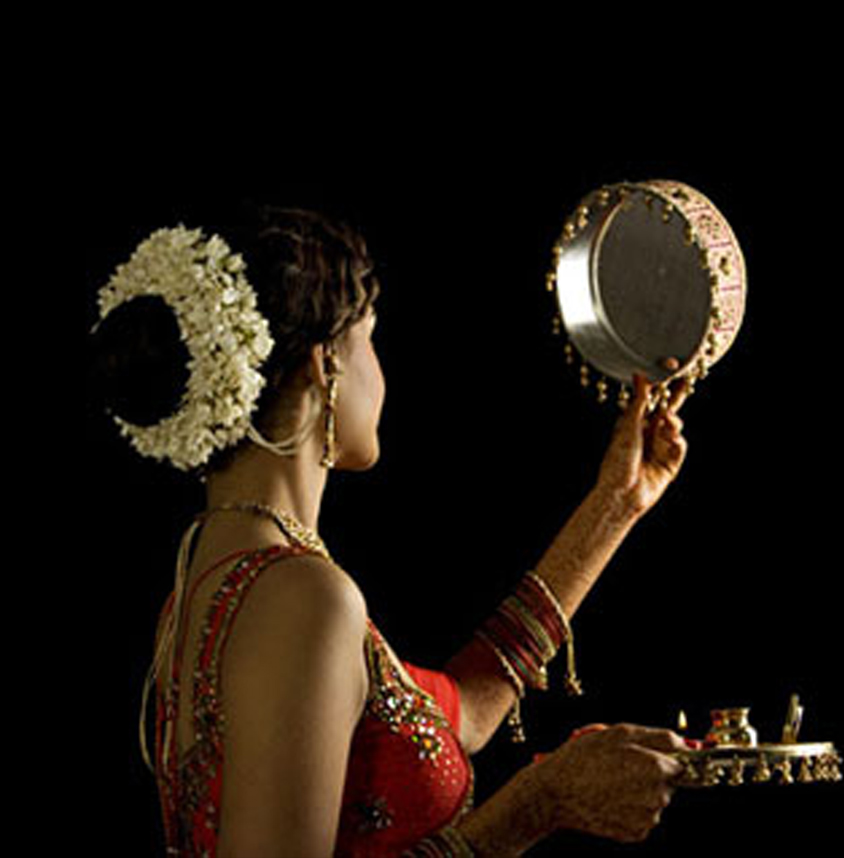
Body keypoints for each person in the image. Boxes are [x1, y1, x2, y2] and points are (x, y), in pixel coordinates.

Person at [89, 203, 695, 857]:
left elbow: (462, 714)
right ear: (325, 364)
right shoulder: (299, 596)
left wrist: (616, 505)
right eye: (370, 339)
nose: (381, 372)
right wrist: (539, 803)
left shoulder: (213, 567)